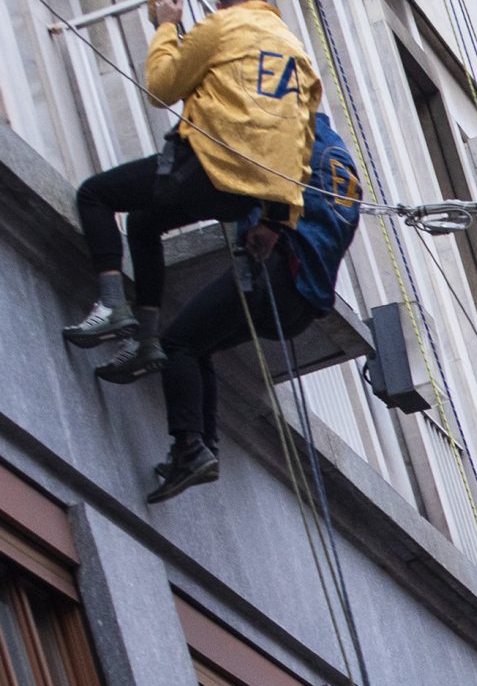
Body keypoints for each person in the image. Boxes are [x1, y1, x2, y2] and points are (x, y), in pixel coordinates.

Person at [69, 0, 319, 382]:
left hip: (208, 168)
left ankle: (112, 304)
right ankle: (147, 338)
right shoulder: (299, 57)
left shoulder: (221, 25)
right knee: (144, 223)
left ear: (221, 2)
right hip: (248, 197)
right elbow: (301, 143)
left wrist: (167, 26)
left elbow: (161, 88)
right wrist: (276, 220)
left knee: (94, 195)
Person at [145, 110, 362, 502]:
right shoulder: (337, 158)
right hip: (303, 301)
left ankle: (191, 446)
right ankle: (200, 448)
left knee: (176, 342)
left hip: (275, 271)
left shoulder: (292, 130)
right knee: (198, 345)